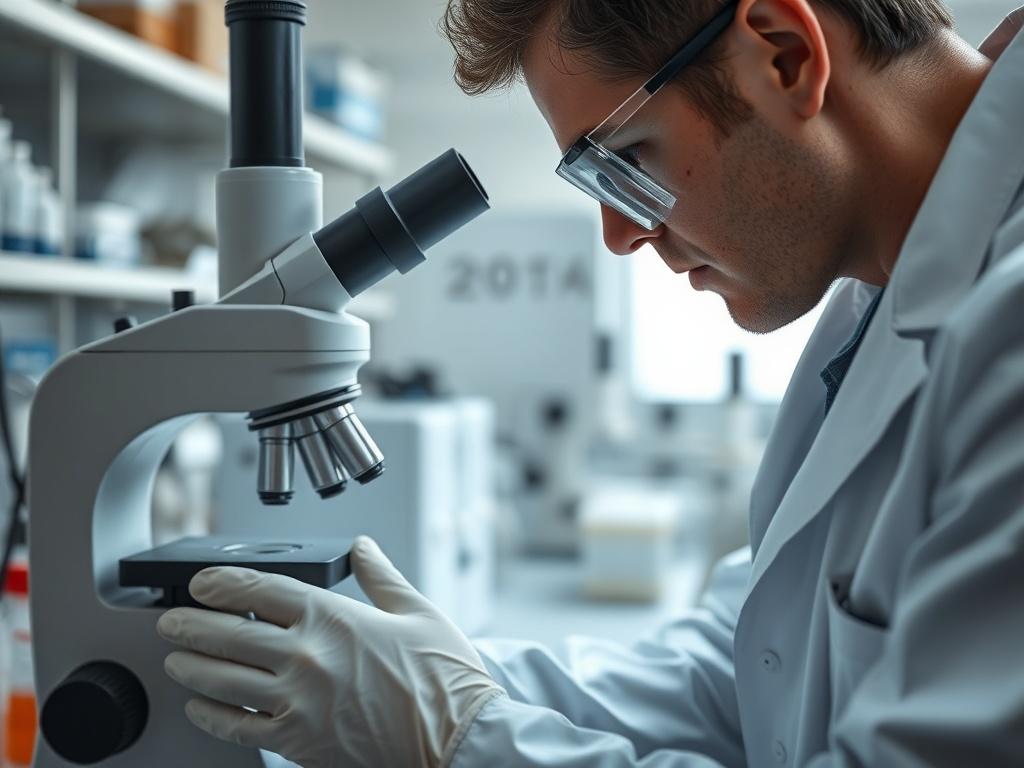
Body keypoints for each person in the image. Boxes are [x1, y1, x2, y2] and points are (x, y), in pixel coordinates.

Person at [155, 0, 1024, 765]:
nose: (618, 234)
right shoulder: (880, 301)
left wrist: (459, 736)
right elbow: (749, 671)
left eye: (624, 156)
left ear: (784, 55)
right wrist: (437, 672)